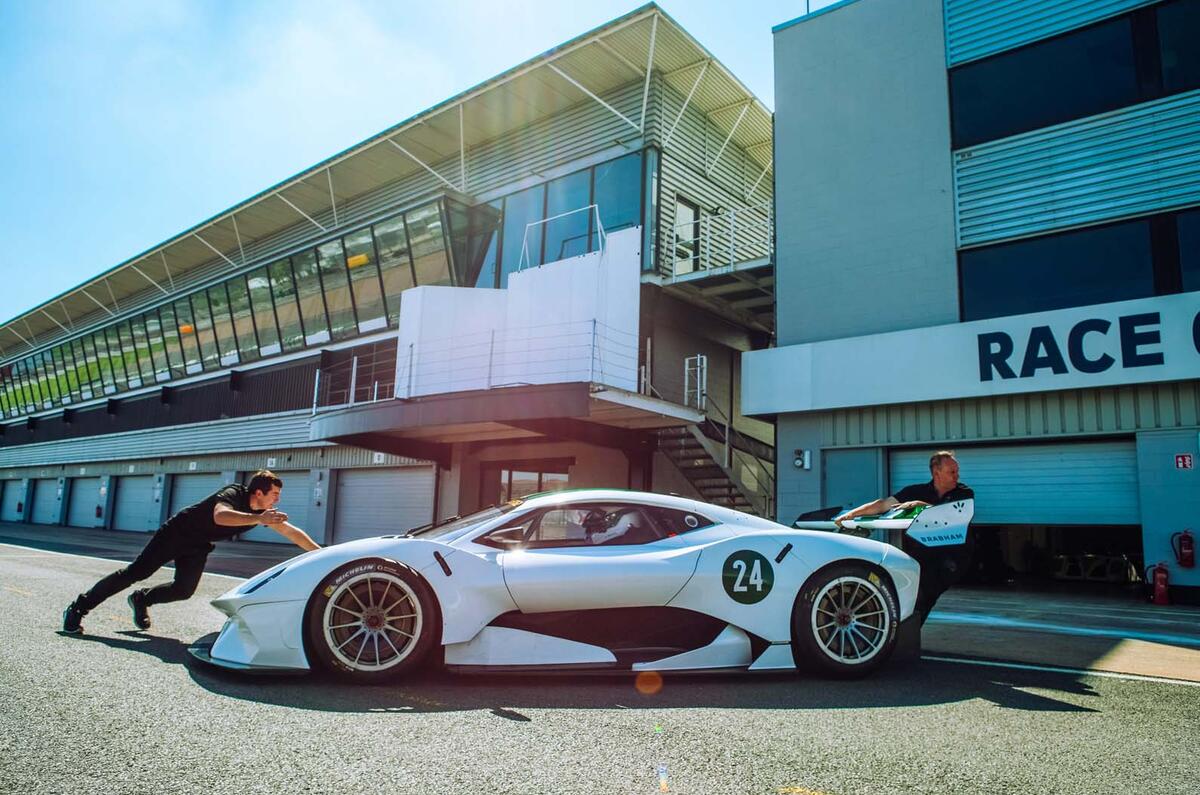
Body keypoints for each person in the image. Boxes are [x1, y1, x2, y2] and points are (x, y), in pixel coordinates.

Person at [61, 470, 320, 635]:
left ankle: (142, 599)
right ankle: (78, 608)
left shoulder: (262, 513)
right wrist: (259, 518)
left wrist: (321, 555)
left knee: (183, 590)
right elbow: (221, 516)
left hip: (197, 545)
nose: (277, 500)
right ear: (258, 492)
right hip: (176, 533)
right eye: (274, 494)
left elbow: (291, 532)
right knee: (136, 572)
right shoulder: (233, 493)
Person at [834, 451, 974, 624]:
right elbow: (883, 505)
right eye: (952, 472)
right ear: (936, 473)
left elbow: (950, 514)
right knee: (908, 602)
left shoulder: (964, 493)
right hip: (920, 558)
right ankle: (900, 636)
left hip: (950, 560)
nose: (957, 476)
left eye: (957, 471)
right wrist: (851, 515)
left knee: (923, 599)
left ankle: (905, 636)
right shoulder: (916, 491)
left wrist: (919, 505)